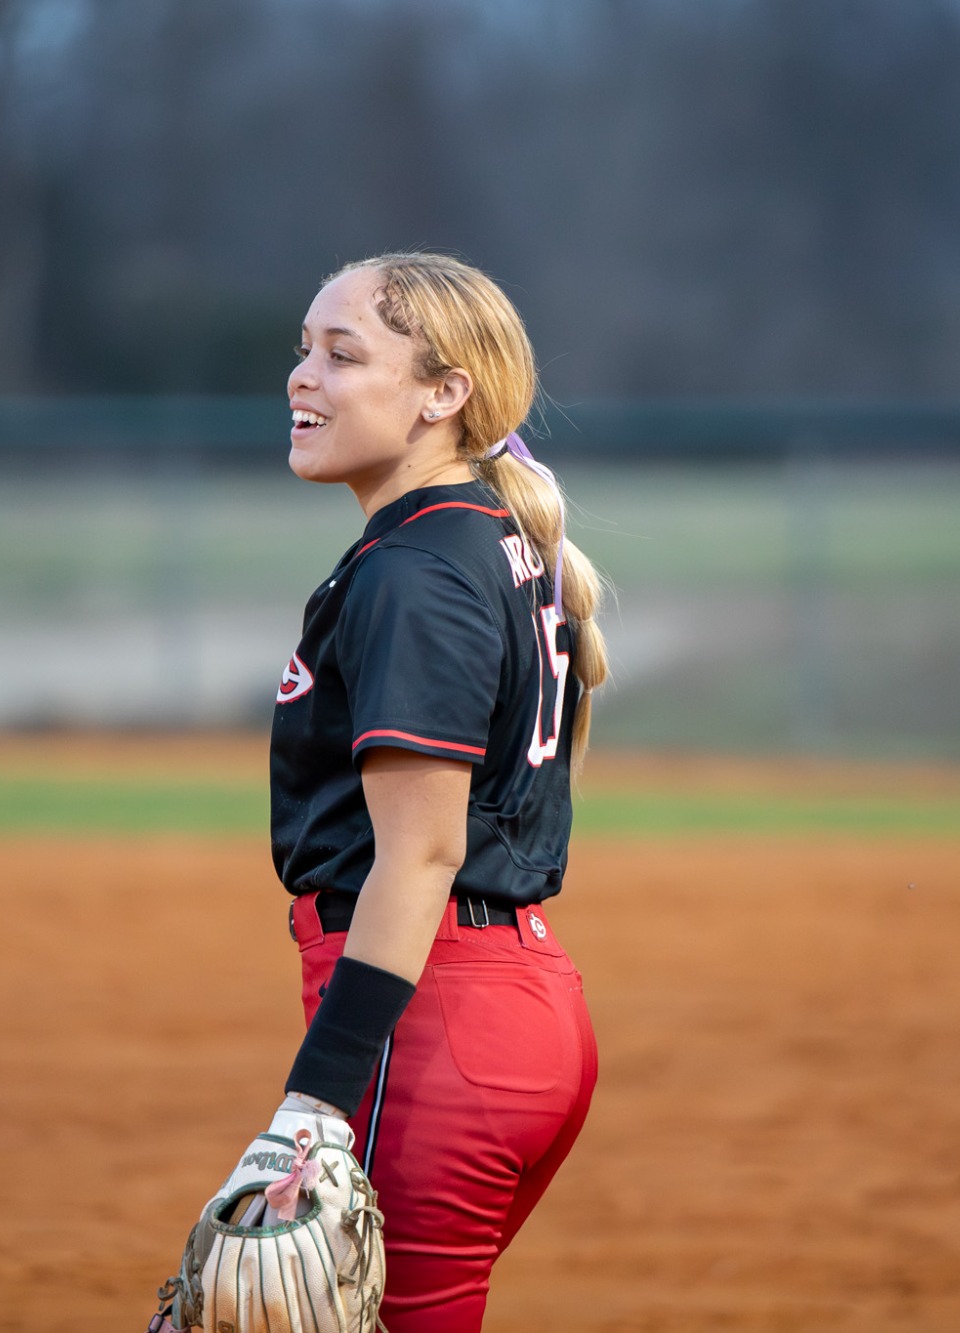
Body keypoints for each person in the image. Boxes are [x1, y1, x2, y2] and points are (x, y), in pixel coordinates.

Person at [193, 253, 607, 1330]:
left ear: (442, 393)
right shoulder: (486, 538)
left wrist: (314, 1094)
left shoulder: (415, 569)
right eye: (302, 349)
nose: (302, 378)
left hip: (431, 1029)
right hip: (516, 1005)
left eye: (343, 354)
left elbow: (417, 855)